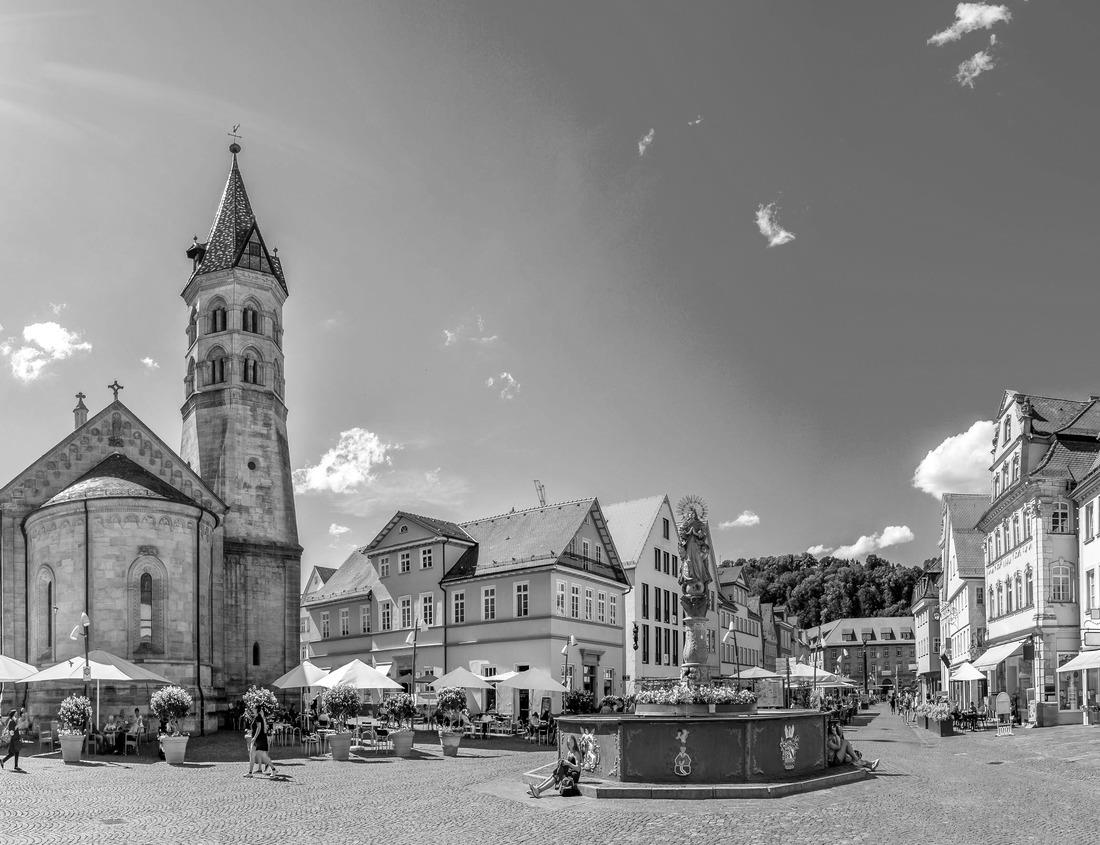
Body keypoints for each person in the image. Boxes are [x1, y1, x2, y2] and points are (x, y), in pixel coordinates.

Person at [246, 708, 279, 778]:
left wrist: (254, 737)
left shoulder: (258, 717)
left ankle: (273, 769)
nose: (252, 708)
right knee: (252, 755)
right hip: (256, 739)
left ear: (256, 709)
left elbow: (259, 728)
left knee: (264, 756)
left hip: (259, 740)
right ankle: (250, 773)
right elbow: (256, 728)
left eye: (254, 708)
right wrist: (251, 732)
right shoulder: (256, 717)